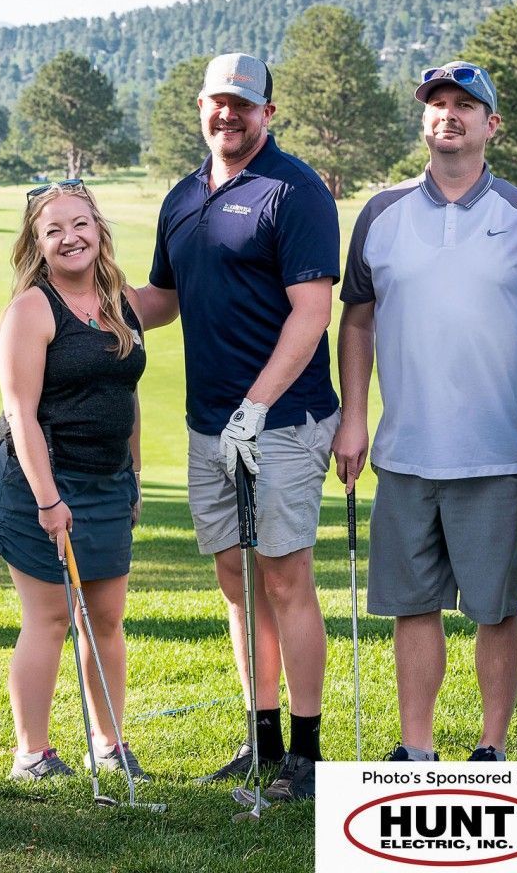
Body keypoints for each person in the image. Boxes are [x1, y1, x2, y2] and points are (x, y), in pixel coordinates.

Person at [334, 61, 517, 764]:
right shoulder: (380, 212)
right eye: (437, 104)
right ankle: (415, 747)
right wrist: (353, 418)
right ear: (423, 121)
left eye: (466, 105)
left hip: (497, 450)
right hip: (404, 451)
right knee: (413, 604)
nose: (449, 115)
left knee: (496, 607)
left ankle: (491, 746)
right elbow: (357, 323)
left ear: (491, 124)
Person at [132, 53, 339, 801]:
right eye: (219, 103)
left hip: (280, 420)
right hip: (205, 425)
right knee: (234, 580)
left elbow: (311, 312)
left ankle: (308, 758)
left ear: (267, 115)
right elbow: (160, 300)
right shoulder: (183, 196)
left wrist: (254, 407)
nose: (230, 115)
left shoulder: (296, 190)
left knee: (284, 578)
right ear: (200, 107)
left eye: (244, 105)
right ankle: (261, 741)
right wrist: (81, 301)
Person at [0, 179, 147, 782]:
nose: (70, 237)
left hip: (106, 481)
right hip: (36, 482)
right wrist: (49, 501)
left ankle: (109, 743)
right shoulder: (30, 310)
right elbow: (20, 412)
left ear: (99, 230)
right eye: (54, 230)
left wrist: (134, 475)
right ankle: (33, 753)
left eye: (81, 224)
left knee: (105, 618)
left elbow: (123, 394)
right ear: (38, 246)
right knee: (49, 617)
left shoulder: (120, 302)